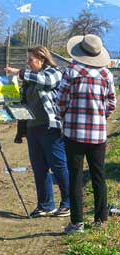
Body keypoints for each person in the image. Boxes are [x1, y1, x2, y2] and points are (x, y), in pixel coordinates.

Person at [56, 34, 116, 233]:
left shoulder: (71, 71)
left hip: (74, 133)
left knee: (75, 177)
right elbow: (111, 104)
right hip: (98, 135)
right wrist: (100, 116)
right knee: (99, 175)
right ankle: (100, 219)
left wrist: (63, 115)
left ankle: (77, 222)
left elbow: (61, 102)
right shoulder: (107, 75)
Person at [5, 46, 70, 218]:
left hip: (51, 128)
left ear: (42, 59)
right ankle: (45, 205)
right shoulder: (30, 80)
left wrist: (19, 72)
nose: (28, 63)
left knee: (58, 166)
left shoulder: (55, 72)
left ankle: (68, 203)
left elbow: (46, 81)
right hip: (33, 128)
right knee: (39, 169)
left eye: (30, 60)